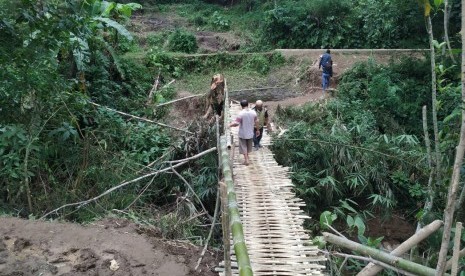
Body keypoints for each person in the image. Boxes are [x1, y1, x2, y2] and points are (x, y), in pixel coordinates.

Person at [229, 100, 260, 165]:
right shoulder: (253, 112)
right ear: (248, 104)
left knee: (243, 146)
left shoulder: (241, 114)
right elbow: (257, 121)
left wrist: (229, 125)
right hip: (250, 132)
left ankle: (246, 160)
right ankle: (247, 157)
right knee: (248, 146)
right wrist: (257, 130)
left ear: (241, 106)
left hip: (242, 133)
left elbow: (236, 123)